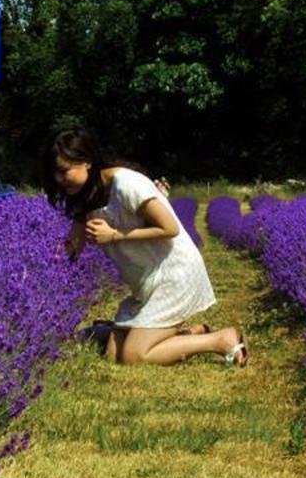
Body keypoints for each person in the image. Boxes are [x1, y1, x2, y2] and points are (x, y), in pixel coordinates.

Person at [42, 127, 247, 367]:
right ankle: (188, 335)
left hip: (173, 274)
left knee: (133, 356)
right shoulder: (86, 194)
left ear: (86, 162)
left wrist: (115, 235)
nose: (58, 179)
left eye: (64, 171)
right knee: (112, 354)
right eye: (54, 173)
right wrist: (52, 260)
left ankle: (219, 340)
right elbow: (74, 243)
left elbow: (170, 228)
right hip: (146, 280)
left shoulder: (126, 185)